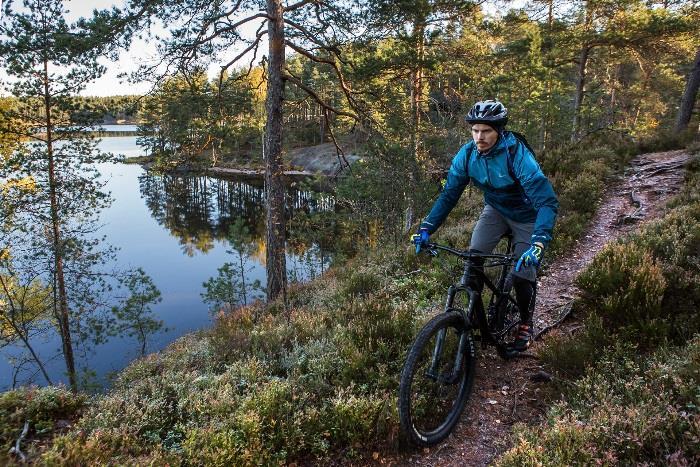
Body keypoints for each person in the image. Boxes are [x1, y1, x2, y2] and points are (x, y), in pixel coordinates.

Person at [412, 99, 558, 351]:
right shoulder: (467, 154)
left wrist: (538, 243)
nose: (479, 136)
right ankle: (474, 315)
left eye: (486, 131)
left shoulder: (516, 154)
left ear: (499, 131)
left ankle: (525, 322)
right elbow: (449, 195)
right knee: (473, 257)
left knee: (523, 272)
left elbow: (547, 201)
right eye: (475, 130)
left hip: (527, 215)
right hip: (496, 209)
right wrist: (426, 227)